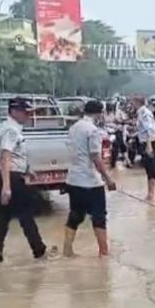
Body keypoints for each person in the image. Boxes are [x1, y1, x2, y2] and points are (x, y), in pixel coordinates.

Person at [0, 97, 50, 263]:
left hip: (5, 175)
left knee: (3, 216)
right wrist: (7, 186)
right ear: (14, 112)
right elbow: (6, 156)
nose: (28, 116)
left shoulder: (6, 126)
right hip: (10, 177)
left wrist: (28, 170)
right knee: (26, 215)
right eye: (25, 112)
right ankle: (39, 251)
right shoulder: (11, 130)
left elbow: (12, 155)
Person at [63, 100, 117, 258]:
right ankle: (104, 252)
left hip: (73, 179)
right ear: (99, 113)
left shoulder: (74, 128)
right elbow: (95, 156)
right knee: (99, 216)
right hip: (90, 181)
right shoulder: (93, 130)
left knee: (75, 215)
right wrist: (108, 179)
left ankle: (67, 250)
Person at [132, 95, 155, 201]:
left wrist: (149, 146)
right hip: (144, 142)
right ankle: (150, 193)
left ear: (137, 102)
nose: (131, 104)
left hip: (151, 142)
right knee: (148, 169)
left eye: (133, 102)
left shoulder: (145, 113)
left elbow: (149, 129)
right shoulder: (139, 113)